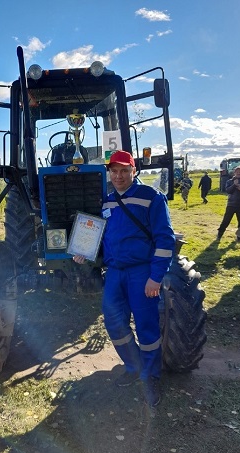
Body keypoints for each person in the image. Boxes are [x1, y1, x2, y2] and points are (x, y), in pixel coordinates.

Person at [73, 150, 175, 407]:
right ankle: (133, 366)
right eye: (114, 171)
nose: (118, 176)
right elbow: (106, 237)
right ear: (109, 173)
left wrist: (155, 277)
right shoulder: (107, 202)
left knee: (146, 327)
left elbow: (165, 240)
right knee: (114, 323)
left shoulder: (152, 197)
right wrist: (86, 252)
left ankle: (151, 376)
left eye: (124, 170)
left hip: (142, 273)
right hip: (115, 273)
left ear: (134, 171)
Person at [217, 166, 240, 241]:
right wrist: (234, 185)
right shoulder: (229, 181)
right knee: (226, 221)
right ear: (234, 173)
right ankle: (219, 235)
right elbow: (228, 191)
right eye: (237, 171)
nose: (239, 173)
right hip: (231, 204)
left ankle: (239, 238)